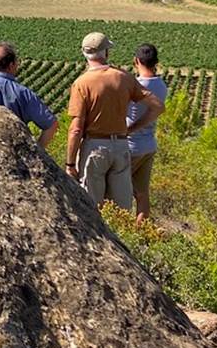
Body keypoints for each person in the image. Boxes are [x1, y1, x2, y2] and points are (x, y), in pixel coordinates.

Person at [66, 32, 163, 210]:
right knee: (121, 209)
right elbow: (157, 106)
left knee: (93, 207)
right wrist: (131, 129)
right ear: (107, 53)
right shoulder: (123, 77)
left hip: (94, 147)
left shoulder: (81, 83)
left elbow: (75, 129)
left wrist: (70, 163)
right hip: (120, 146)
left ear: (84, 54)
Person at [128, 42, 168, 219]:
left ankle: (122, 233)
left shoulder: (134, 86)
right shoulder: (161, 85)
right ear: (156, 62)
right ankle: (142, 231)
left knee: (119, 192)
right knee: (142, 194)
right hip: (149, 144)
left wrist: (130, 129)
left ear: (136, 61)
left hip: (130, 145)